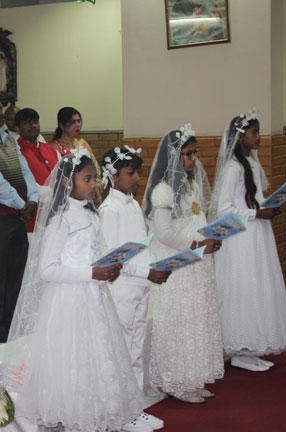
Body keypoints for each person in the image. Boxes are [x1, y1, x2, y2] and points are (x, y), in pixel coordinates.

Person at [2, 149, 147, 432]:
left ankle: (104, 413)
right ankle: (77, 417)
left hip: (96, 296)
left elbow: (97, 252)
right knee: (75, 359)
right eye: (87, 179)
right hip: (70, 300)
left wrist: (111, 266)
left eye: (95, 179)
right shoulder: (62, 220)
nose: (94, 185)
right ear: (68, 182)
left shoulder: (91, 215)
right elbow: (47, 270)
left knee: (100, 355)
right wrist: (92, 273)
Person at [210, 109, 286, 372]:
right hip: (241, 239)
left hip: (257, 235)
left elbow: (252, 199)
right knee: (243, 288)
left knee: (258, 286)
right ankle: (239, 348)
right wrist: (256, 213)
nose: (259, 137)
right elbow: (223, 209)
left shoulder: (252, 164)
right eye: (254, 132)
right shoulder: (233, 168)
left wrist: (268, 207)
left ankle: (252, 346)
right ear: (240, 136)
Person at [141, 124, 224, 404]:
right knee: (178, 320)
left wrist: (212, 238)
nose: (193, 159)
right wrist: (198, 245)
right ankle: (174, 380)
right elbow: (164, 233)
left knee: (196, 320)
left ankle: (193, 377)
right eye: (188, 154)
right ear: (173, 156)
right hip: (176, 263)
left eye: (195, 153)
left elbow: (197, 220)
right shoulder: (163, 191)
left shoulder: (192, 185)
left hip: (196, 263)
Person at [98, 145, 170, 430]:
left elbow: (141, 247)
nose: (137, 178)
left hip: (141, 285)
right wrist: (146, 272)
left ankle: (134, 407)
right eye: (131, 173)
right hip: (122, 289)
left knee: (136, 348)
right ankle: (119, 412)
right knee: (122, 350)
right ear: (112, 175)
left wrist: (157, 266)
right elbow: (113, 259)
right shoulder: (109, 210)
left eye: (138, 172)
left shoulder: (134, 205)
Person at [0, 92, 39, 342]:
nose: (0, 114)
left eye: (0, 109)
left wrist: (33, 199)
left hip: (19, 213)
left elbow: (25, 172)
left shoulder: (9, 138)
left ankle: (13, 320)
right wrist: (22, 204)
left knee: (16, 270)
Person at [14, 108, 58, 232]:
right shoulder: (14, 152)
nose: (33, 126)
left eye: (35, 122)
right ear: (17, 128)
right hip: (31, 219)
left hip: (55, 217)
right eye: (27, 123)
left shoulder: (50, 149)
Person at [50, 107, 102, 203]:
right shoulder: (55, 148)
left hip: (88, 192)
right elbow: (56, 177)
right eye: (73, 122)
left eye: (79, 121)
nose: (78, 125)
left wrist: (94, 186)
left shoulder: (83, 143)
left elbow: (95, 168)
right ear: (62, 125)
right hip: (67, 195)